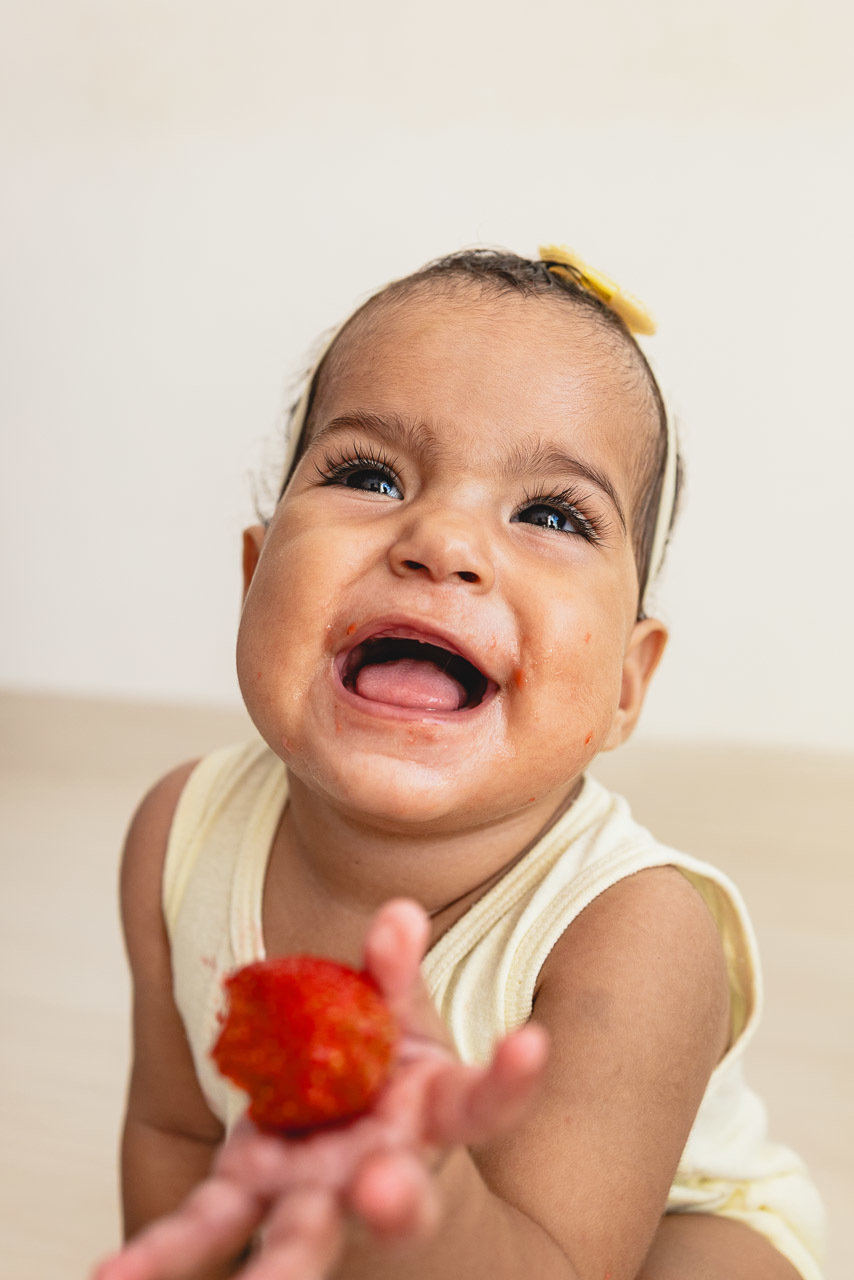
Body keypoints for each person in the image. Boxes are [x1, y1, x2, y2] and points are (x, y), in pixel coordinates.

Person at [94, 247, 826, 1280]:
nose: (440, 539)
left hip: (615, 1230)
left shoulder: (630, 935)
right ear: (255, 578)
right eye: (367, 473)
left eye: (550, 514)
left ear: (625, 679)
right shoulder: (179, 835)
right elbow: (174, 1129)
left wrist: (428, 1185)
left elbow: (561, 1262)